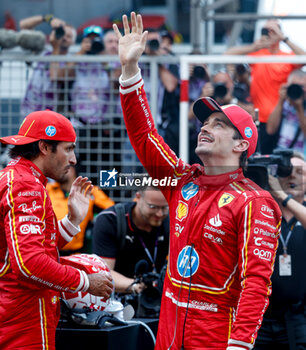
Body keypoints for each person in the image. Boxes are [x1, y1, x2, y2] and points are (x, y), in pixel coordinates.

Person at [113, 12, 282, 349]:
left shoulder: (255, 202)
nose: (205, 127)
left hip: (215, 337)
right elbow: (144, 135)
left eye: (219, 124)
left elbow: (256, 283)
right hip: (168, 333)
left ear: (241, 144)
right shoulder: (181, 180)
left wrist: (240, 344)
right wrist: (131, 71)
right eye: (205, 122)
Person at [0, 109, 113, 350]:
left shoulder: (21, 179)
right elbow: (28, 263)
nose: (73, 159)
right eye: (68, 148)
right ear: (44, 147)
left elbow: (29, 250)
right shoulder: (24, 185)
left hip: (20, 316)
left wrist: (72, 220)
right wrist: (84, 281)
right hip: (21, 322)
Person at [225, 19, 306, 154]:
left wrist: (284, 38)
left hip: (281, 119)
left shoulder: (287, 57)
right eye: (265, 30)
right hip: (258, 119)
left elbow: (304, 59)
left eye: (272, 30)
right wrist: (253, 47)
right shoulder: (257, 55)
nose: (269, 34)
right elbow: (226, 55)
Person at [254, 154, 306, 349]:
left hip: (298, 317)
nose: (292, 176)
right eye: (287, 171)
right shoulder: (264, 211)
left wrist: (283, 197)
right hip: (261, 316)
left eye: (300, 172)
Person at [92, 186, 169, 294]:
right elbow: (104, 273)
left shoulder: (171, 223)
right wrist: (137, 286)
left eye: (165, 207)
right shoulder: (110, 220)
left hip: (159, 294)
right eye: (153, 207)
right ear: (138, 197)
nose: (159, 214)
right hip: (119, 297)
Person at [47, 164, 114, 255]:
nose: (56, 170)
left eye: (63, 166)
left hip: (76, 253)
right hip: (49, 251)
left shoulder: (89, 191)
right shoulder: (48, 189)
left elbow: (112, 211)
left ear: (72, 169)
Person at [20, 15, 77, 116]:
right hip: (30, 110)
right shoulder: (44, 51)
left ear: (73, 42)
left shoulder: (72, 60)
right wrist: (47, 19)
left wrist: (56, 47)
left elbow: (54, 76)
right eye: (61, 34)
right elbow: (24, 27)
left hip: (51, 116)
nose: (63, 38)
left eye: (68, 36)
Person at [266, 69, 306, 154]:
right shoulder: (284, 105)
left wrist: (299, 108)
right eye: (293, 86)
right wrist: (280, 100)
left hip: (300, 158)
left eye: (301, 87)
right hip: (279, 156)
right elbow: (270, 130)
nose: (296, 89)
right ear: (287, 86)